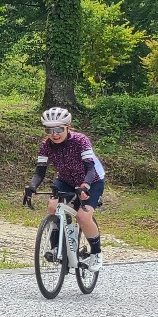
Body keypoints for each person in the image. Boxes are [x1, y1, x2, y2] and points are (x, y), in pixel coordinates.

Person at [23, 106, 106, 269]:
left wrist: (85, 186)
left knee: (83, 217)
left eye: (59, 129)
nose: (55, 134)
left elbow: (90, 169)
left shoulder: (80, 140)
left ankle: (96, 253)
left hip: (91, 180)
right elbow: (40, 171)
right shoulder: (46, 145)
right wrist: (31, 186)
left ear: (68, 127)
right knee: (53, 207)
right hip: (66, 180)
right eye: (49, 130)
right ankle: (57, 247)